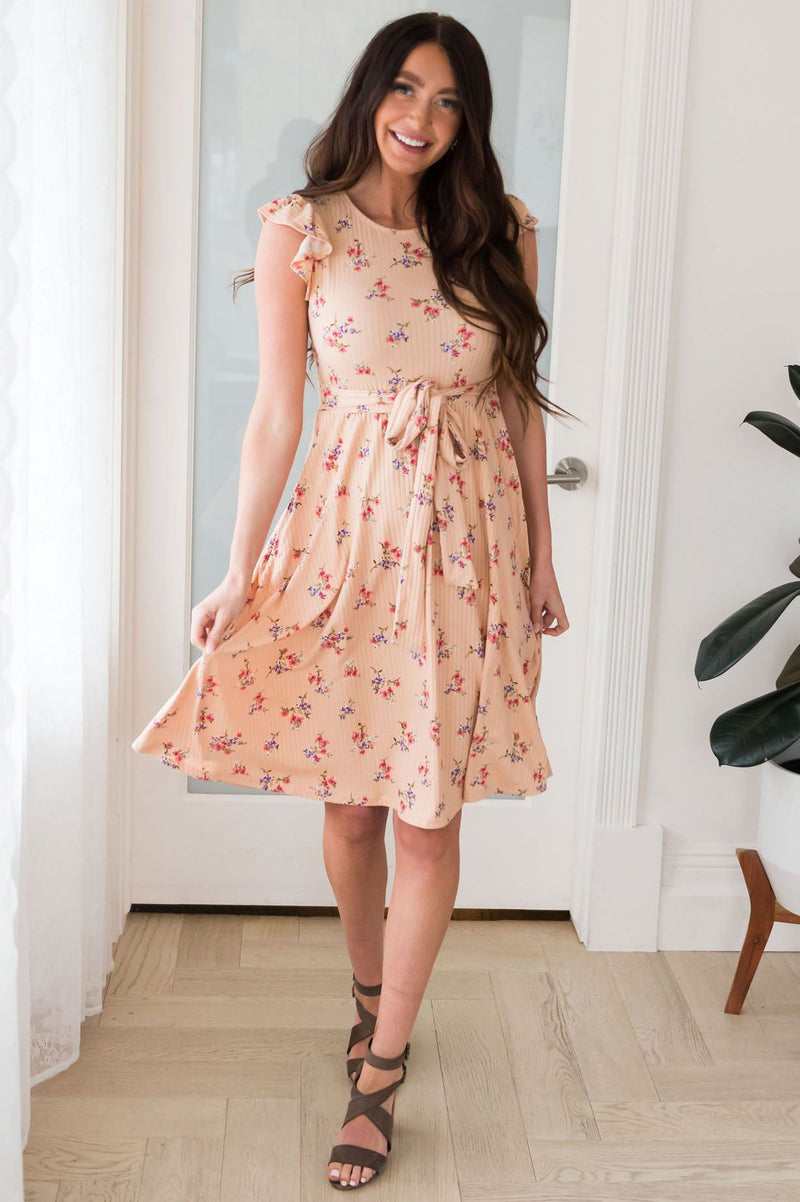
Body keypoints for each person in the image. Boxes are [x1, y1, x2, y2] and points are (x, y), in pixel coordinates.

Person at [132, 11, 573, 1191]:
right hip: (348, 538)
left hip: (467, 543)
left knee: (429, 817)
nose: (421, 118)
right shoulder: (301, 227)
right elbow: (275, 413)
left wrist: (541, 557)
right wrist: (237, 567)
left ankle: (379, 1072)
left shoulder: (500, 228)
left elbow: (518, 404)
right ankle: (369, 988)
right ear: (371, 90)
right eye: (406, 89)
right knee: (350, 811)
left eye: (449, 101)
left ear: (468, 121)